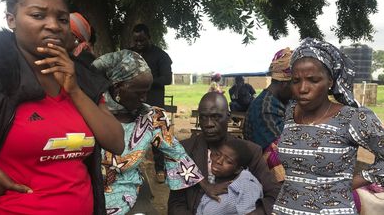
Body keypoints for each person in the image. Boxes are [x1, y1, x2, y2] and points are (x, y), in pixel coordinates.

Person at [0, 0, 124, 215]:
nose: (53, 25)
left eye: (62, 19)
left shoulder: (84, 79)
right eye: (38, 15)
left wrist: (74, 90)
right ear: (11, 19)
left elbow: (116, 142)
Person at [273, 38, 384, 215]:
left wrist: (358, 179)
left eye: (313, 80)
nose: (303, 88)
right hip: (285, 209)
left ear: (330, 81)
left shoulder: (352, 118)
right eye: (296, 80)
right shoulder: (291, 112)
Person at [92, 49, 204, 215]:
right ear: (117, 87)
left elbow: (176, 154)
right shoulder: (89, 114)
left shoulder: (153, 118)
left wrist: (204, 184)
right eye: (139, 92)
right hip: (88, 196)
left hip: (128, 196)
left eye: (147, 91)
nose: (144, 98)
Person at [168, 92, 281, 215]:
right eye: (203, 117)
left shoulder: (248, 152)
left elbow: (274, 194)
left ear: (228, 116)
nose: (209, 124)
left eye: (216, 117)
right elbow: (176, 203)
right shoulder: (184, 151)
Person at [129, 23, 173, 183]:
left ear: (149, 38)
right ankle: (131, 168)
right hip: (132, 102)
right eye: (136, 41)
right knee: (131, 135)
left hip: (154, 102)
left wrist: (146, 82)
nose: (139, 44)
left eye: (142, 40)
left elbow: (167, 79)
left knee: (157, 136)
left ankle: (160, 169)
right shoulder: (130, 54)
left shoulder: (161, 56)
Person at [243, 48, 292, 182]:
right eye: (296, 84)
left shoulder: (280, 101)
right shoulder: (265, 108)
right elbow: (282, 149)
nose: (300, 89)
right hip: (264, 175)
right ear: (285, 84)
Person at [196, 139, 263, 215]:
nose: (219, 161)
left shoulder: (247, 184)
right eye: (218, 154)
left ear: (238, 169)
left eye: (228, 161)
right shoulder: (214, 179)